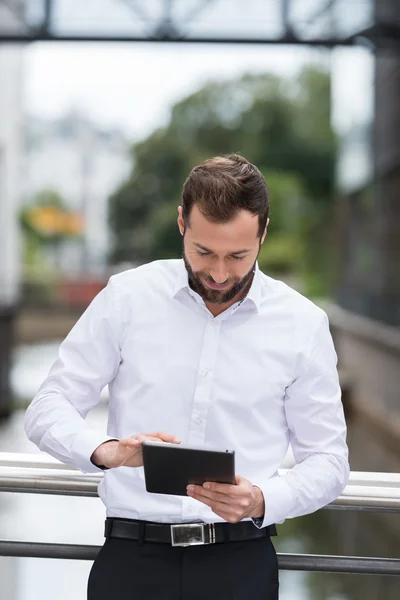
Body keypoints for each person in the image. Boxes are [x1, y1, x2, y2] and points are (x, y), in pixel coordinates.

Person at [24, 154, 349, 600]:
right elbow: (47, 406)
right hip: (130, 562)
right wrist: (106, 450)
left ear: (263, 234)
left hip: (241, 566)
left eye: (238, 256)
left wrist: (262, 499)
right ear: (182, 223)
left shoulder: (303, 324)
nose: (218, 274)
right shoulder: (127, 298)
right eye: (203, 252)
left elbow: (330, 461)